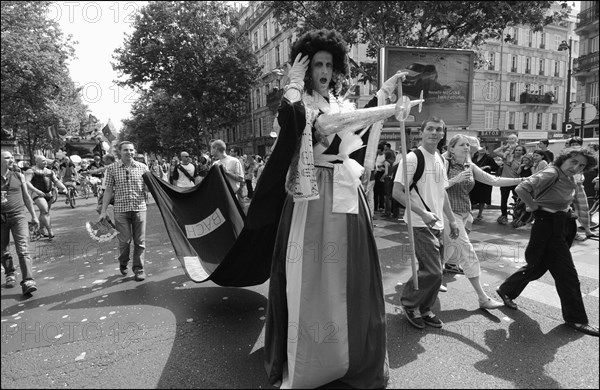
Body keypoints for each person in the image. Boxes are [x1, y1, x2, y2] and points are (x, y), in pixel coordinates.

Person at [264, 29, 405, 389]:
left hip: (347, 191)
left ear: (336, 68)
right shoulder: (301, 103)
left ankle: (351, 352)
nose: (324, 70)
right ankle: (310, 360)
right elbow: (311, 125)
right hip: (312, 196)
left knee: (352, 274)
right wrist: (292, 85)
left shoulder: (340, 102)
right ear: (308, 69)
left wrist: (384, 91)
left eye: (329, 64)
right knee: (311, 279)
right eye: (317, 64)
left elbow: (353, 119)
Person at [496, 147, 599, 337]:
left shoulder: (569, 176)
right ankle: (576, 318)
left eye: (582, 165)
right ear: (564, 159)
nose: (576, 167)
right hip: (548, 226)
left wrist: (579, 222)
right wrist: (534, 207)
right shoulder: (552, 172)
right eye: (574, 162)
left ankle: (506, 290)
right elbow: (522, 188)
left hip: (560, 224)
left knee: (538, 265)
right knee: (567, 275)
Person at [442, 135, 524, 309]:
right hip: (449, 214)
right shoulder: (443, 163)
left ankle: (429, 277)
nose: (467, 148)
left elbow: (492, 180)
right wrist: (455, 180)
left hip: (465, 212)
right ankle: (482, 298)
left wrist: (521, 180)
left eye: (468, 145)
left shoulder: (469, 165)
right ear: (451, 148)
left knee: (447, 248)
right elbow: (436, 188)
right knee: (467, 252)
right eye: (462, 145)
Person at [392, 117, 460, 330]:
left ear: (443, 134)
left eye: (438, 129)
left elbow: (443, 193)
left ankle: (425, 308)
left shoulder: (440, 157)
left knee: (435, 270)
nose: (434, 132)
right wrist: (423, 213)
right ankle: (410, 304)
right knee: (433, 270)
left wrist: (452, 220)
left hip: (437, 224)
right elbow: (397, 193)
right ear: (421, 132)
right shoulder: (411, 158)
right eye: (429, 128)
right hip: (419, 222)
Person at [98, 141, 150, 282]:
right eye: (126, 150)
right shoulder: (112, 168)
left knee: (140, 241)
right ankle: (123, 262)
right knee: (125, 241)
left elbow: (149, 188)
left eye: (131, 150)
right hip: (121, 210)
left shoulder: (143, 167)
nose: (129, 152)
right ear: (119, 152)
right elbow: (108, 190)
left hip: (139, 208)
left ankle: (139, 269)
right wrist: (103, 210)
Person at [1, 151, 40, 294]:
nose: (11, 159)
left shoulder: (18, 175)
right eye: (7, 158)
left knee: (23, 248)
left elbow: (27, 197)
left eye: (12, 157)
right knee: (3, 250)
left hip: (18, 216)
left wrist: (34, 216)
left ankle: (28, 281)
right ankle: (10, 273)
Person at [26, 155, 67, 239]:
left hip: (48, 194)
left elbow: (56, 181)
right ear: (37, 162)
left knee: (44, 212)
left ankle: (39, 230)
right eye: (43, 161)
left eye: (45, 160)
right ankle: (49, 231)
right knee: (45, 211)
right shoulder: (31, 171)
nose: (45, 162)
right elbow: (27, 182)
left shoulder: (50, 171)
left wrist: (63, 187)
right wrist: (36, 190)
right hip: (37, 193)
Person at [494, 142, 526, 224]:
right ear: (514, 151)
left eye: (520, 150)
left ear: (523, 151)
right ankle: (504, 216)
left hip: (516, 182)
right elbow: (495, 152)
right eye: (516, 150)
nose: (518, 151)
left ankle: (516, 216)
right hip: (505, 182)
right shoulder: (507, 157)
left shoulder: (524, 160)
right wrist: (504, 146)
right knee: (503, 200)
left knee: (517, 201)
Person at [470, 145, 499, 220]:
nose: (481, 150)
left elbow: (496, 167)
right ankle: (470, 213)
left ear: (486, 150)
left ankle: (480, 214)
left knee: (482, 198)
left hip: (484, 180)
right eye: (480, 148)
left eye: (484, 148)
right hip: (474, 180)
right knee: (472, 197)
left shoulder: (489, 158)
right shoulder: (474, 158)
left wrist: (487, 167)